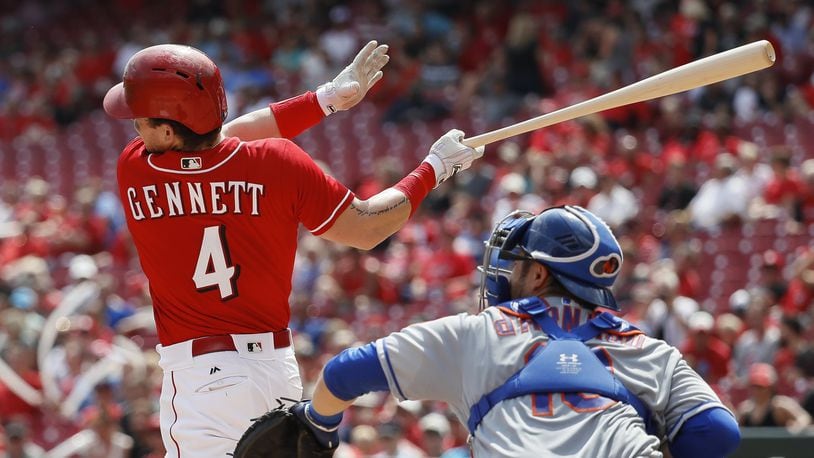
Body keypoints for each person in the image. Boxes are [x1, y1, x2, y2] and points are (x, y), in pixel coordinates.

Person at [102, 41, 484, 456]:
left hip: (200, 379)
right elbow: (368, 228)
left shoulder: (135, 168)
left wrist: (323, 100)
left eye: (141, 119)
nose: (135, 127)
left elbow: (217, 143)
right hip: (275, 372)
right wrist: (433, 169)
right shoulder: (278, 163)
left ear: (169, 131)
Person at [295, 206, 741, 457]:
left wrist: (317, 427)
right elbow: (719, 432)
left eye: (516, 266)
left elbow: (344, 373)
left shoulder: (477, 333)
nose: (504, 274)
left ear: (540, 276)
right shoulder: (650, 349)